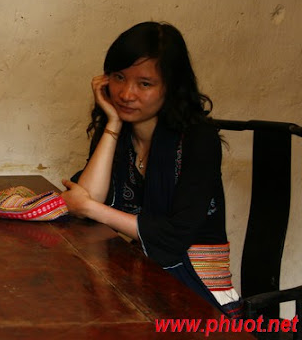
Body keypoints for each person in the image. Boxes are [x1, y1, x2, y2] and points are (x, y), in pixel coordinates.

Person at [61, 21, 242, 318]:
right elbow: (88, 197)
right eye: (119, 77)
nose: (126, 94)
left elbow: (173, 237)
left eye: (144, 84)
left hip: (197, 289)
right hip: (138, 277)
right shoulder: (118, 132)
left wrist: (92, 209)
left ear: (171, 87)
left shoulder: (198, 139)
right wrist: (113, 123)